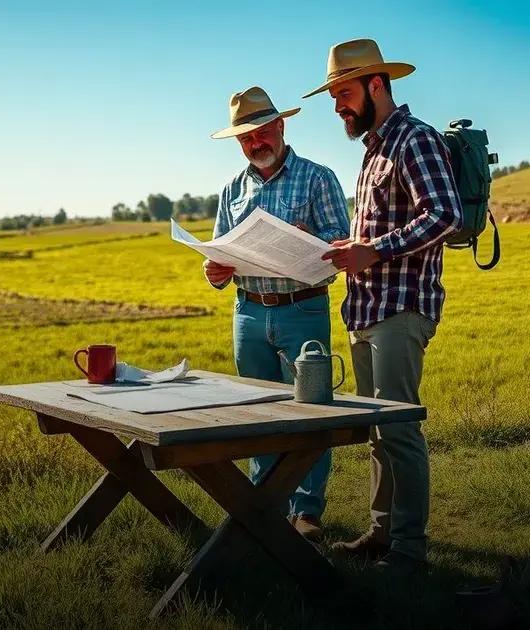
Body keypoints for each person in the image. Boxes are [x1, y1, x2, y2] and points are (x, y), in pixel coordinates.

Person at [305, 39, 463, 575]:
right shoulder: (374, 148)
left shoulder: (414, 139)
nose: (337, 106)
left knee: (399, 430)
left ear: (376, 85)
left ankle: (409, 550)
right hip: (366, 309)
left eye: (344, 93)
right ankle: (381, 533)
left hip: (401, 308)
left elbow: (443, 214)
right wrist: (349, 248)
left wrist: (373, 250)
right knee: (379, 432)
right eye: (333, 96)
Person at [205, 86, 350, 541]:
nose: (255, 143)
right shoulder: (231, 189)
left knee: (310, 410)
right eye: (245, 138)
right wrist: (214, 271)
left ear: (281, 126)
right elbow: (219, 257)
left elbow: (341, 244)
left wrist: (312, 240)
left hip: (302, 309)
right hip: (247, 312)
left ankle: (306, 512)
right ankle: (264, 508)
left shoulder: (318, 177)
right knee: (257, 413)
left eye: (261, 133)